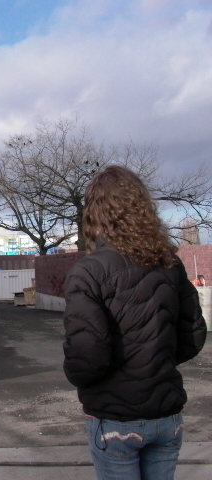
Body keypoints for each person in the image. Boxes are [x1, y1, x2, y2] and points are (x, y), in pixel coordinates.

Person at [63, 165, 207, 480]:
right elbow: (193, 336)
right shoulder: (170, 264)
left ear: (95, 214)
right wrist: (156, 359)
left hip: (116, 420)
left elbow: (87, 356)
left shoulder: (87, 271)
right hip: (166, 416)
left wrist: (82, 378)